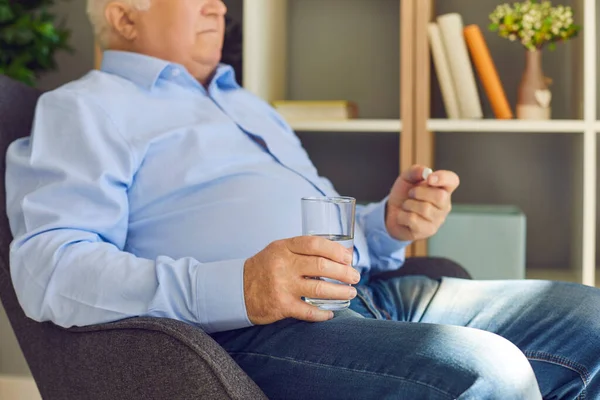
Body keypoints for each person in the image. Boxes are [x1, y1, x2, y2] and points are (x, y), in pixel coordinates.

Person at [6, 0, 600, 398]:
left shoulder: (248, 104)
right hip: (253, 326)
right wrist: (239, 286)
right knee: (486, 373)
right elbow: (49, 266)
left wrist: (387, 224)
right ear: (123, 16)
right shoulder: (85, 107)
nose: (218, 3)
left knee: (591, 318)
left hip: (370, 294)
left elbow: (323, 226)